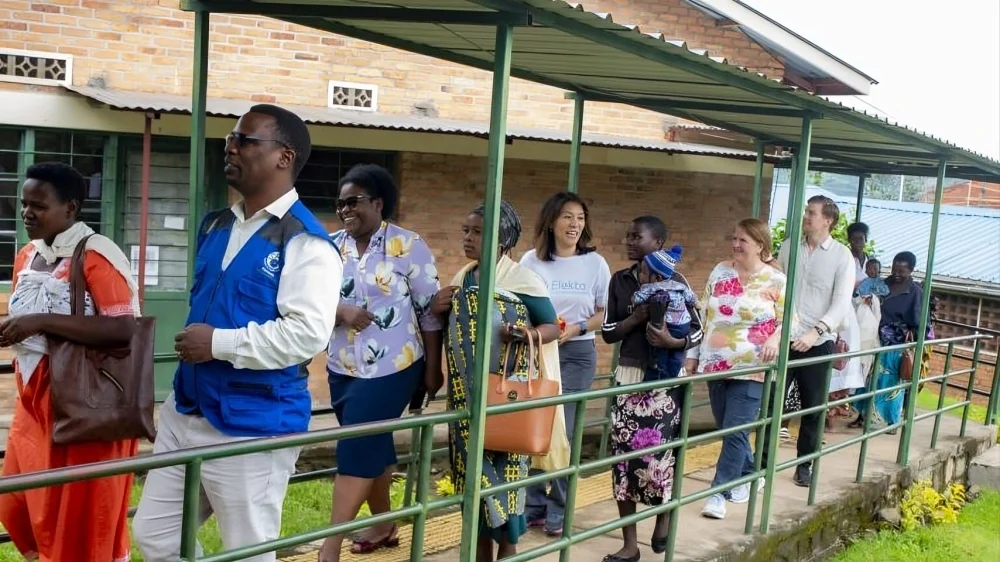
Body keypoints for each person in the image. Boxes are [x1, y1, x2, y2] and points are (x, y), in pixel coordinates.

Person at [133, 105, 342, 562]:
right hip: (187, 411)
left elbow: (307, 334)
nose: (230, 147)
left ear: (284, 156)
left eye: (245, 140)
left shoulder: (305, 241)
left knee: (247, 551)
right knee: (156, 535)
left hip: (253, 423)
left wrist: (217, 343)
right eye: (230, 138)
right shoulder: (217, 225)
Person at [0, 162, 141, 562]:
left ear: (71, 208)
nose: (27, 213)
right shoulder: (28, 255)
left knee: (80, 513)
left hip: (85, 404)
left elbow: (123, 329)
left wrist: (41, 322)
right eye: (24, 204)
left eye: (39, 206)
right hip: (34, 401)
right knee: (21, 500)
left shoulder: (97, 256)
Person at [319, 164, 443, 561]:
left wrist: (432, 368)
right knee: (374, 443)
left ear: (377, 202)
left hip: (395, 366)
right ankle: (384, 524)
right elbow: (308, 302)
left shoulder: (408, 245)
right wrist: (342, 311)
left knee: (357, 446)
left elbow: (429, 312)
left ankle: (329, 546)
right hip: (342, 367)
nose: (345, 210)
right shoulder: (328, 248)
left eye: (353, 201)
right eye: (340, 204)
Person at [430, 201, 564, 562]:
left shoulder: (522, 280)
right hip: (466, 398)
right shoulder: (463, 278)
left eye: (477, 232)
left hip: (506, 399)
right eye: (466, 231)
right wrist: (438, 308)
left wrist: (525, 334)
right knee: (471, 486)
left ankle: (508, 550)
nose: (468, 238)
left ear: (502, 240)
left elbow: (552, 327)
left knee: (505, 481)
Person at [601, 216, 702, 562]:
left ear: (658, 243)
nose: (629, 241)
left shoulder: (678, 280)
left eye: (637, 236)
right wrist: (637, 318)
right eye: (628, 236)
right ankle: (630, 543)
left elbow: (699, 330)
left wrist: (673, 342)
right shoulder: (620, 280)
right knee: (623, 462)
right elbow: (608, 332)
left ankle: (663, 517)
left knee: (663, 458)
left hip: (666, 384)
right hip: (630, 377)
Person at [519, 191, 611, 536]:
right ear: (551, 221)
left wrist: (576, 328)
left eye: (580, 218)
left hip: (577, 353)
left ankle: (558, 508)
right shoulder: (531, 261)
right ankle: (533, 505)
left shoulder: (595, 263)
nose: (575, 224)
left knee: (564, 431)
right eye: (567, 217)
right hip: (538, 353)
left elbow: (604, 313)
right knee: (534, 428)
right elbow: (519, 304)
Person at [685, 218, 785, 520]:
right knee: (728, 428)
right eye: (734, 239)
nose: (736, 245)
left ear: (760, 245)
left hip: (753, 366)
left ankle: (717, 494)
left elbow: (789, 320)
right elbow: (703, 314)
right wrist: (692, 354)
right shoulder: (720, 271)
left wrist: (775, 339)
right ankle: (750, 473)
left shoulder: (775, 279)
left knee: (735, 429)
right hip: (715, 363)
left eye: (743, 240)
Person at [762, 195, 854, 487]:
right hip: (785, 337)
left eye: (811, 213)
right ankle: (761, 462)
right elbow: (778, 284)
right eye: (806, 211)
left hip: (818, 341)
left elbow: (841, 302)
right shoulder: (791, 246)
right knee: (771, 402)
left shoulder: (841, 255)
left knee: (812, 408)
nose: (806, 217)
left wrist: (816, 331)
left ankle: (805, 465)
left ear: (828, 220)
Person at [849, 251, 932, 432]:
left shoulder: (915, 292)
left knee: (890, 384)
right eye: (894, 269)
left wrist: (912, 337)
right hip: (874, 339)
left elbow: (921, 322)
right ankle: (861, 416)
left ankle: (890, 422)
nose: (896, 274)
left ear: (911, 270)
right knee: (867, 379)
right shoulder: (881, 285)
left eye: (901, 271)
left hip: (896, 345)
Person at [632, 245, 696, 381]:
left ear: (657, 277)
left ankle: (656, 378)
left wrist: (635, 298)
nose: (640, 275)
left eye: (643, 273)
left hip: (667, 326)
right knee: (676, 355)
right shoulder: (679, 285)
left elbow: (637, 299)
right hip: (683, 325)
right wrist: (696, 304)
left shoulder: (651, 287)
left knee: (658, 353)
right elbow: (691, 298)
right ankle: (672, 375)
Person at [846, 222, 870, 287]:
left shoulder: (870, 260)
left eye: (861, 238)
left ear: (866, 240)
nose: (857, 242)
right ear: (849, 240)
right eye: (854, 239)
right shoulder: (845, 260)